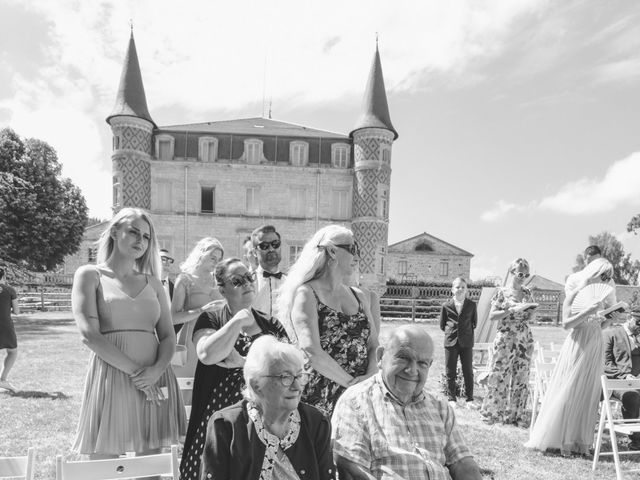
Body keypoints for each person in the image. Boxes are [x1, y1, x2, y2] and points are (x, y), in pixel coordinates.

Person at [71, 208, 186, 457]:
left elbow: (167, 335)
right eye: (134, 232)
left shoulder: (154, 283)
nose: (140, 241)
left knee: (152, 462)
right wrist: (137, 374)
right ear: (114, 232)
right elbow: (89, 335)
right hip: (112, 374)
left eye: (146, 237)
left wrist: (154, 372)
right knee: (104, 462)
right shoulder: (89, 275)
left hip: (156, 375)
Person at [180, 258, 288, 480]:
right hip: (217, 418)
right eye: (237, 281)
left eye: (249, 278)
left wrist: (243, 363)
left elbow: (287, 368)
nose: (247, 283)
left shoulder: (271, 325)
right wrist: (238, 320)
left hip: (264, 417)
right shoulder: (211, 318)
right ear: (222, 289)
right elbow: (207, 354)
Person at [332, 324, 482, 480]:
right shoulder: (356, 402)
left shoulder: (439, 407)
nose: (412, 370)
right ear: (380, 356)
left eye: (422, 363)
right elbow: (351, 470)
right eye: (403, 357)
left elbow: (462, 462)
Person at [201, 335, 335, 480]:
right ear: (256, 385)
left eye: (299, 376)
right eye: (285, 377)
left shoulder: (316, 422)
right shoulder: (226, 425)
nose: (296, 387)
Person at [277, 224, 378, 416]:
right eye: (353, 248)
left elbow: (374, 343)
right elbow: (312, 352)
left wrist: (371, 376)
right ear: (332, 251)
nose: (357, 256)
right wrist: (352, 386)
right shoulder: (306, 294)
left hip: (362, 396)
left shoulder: (359, 296)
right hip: (321, 397)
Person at [526, 258, 617, 455]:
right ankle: (563, 439)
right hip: (577, 345)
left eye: (609, 277)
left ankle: (580, 442)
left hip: (595, 344)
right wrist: (587, 311)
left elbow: (596, 326)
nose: (607, 280)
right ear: (593, 274)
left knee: (588, 393)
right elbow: (567, 325)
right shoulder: (574, 294)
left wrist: (611, 319)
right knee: (570, 391)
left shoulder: (600, 299)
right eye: (604, 275)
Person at [480, 258, 537, 426]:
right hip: (506, 338)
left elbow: (530, 317)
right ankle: (492, 414)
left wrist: (531, 312)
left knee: (522, 378)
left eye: (526, 275)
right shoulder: (502, 292)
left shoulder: (527, 293)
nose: (523, 277)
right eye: (520, 274)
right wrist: (509, 309)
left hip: (524, 339)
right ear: (512, 272)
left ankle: (516, 416)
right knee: (499, 376)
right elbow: (492, 316)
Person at [171, 237, 225, 379]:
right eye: (212, 257)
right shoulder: (184, 279)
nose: (216, 262)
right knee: (190, 388)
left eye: (218, 260)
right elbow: (173, 318)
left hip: (216, 338)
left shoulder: (219, 281)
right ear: (201, 253)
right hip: (191, 340)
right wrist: (201, 310)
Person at [603, 308, 640, 450]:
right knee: (632, 396)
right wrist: (624, 376)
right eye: (638, 322)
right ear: (629, 318)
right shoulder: (610, 334)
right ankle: (635, 440)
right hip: (617, 381)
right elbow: (605, 363)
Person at [440, 277, 478, 406]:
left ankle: (470, 399)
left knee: (468, 371)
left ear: (466, 289)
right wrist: (451, 332)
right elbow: (442, 324)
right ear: (452, 289)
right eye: (457, 287)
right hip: (451, 341)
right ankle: (452, 398)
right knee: (450, 370)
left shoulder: (472, 305)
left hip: (466, 342)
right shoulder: (446, 306)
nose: (460, 289)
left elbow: (474, 323)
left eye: (463, 287)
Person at [251, 225, 286, 318]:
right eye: (264, 246)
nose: (271, 249)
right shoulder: (248, 283)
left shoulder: (291, 283)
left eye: (275, 244)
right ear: (254, 252)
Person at [0, 267, 20, 393]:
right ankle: (3, 380)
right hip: (5, 325)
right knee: (12, 352)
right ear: (3, 276)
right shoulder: (10, 290)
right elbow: (17, 311)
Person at [159, 248, 179, 334]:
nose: (167, 262)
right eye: (163, 259)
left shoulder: (176, 289)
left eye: (170, 260)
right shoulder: (145, 283)